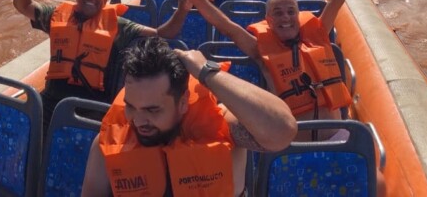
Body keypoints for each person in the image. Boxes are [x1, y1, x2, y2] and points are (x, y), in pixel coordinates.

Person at [176, 0, 368, 140]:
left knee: (377, 176)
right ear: (268, 20)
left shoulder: (318, 33)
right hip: (291, 147)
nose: (285, 17)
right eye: (278, 13)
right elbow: (225, 26)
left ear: (298, 16)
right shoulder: (260, 50)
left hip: (337, 139)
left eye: (290, 12)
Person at [81, 36, 297, 196]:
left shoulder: (224, 126)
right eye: (130, 106)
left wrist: (206, 72)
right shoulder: (108, 142)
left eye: (152, 110)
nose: (137, 120)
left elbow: (283, 131)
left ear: (183, 102)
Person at [13, 0, 192, 129]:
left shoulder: (119, 26)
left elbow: (164, 33)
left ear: (105, 0)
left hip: (94, 107)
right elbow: (23, 5)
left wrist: (183, 7)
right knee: (24, 131)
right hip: (52, 100)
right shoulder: (56, 16)